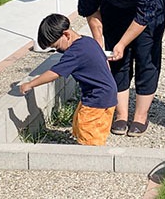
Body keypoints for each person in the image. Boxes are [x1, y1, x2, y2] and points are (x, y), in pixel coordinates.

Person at [77, 0, 165, 137]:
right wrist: (99, 44)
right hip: (115, 8)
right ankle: (121, 114)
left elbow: (144, 15)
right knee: (116, 59)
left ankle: (141, 116)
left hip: (148, 9)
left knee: (146, 57)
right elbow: (90, 9)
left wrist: (123, 43)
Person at [19, 13, 117, 146]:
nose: (58, 51)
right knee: (80, 121)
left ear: (66, 35)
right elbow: (105, 63)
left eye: (57, 47)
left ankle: (92, 156)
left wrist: (30, 84)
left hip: (98, 97)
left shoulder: (75, 53)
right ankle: (84, 145)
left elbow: (54, 73)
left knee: (89, 128)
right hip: (101, 93)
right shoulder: (87, 41)